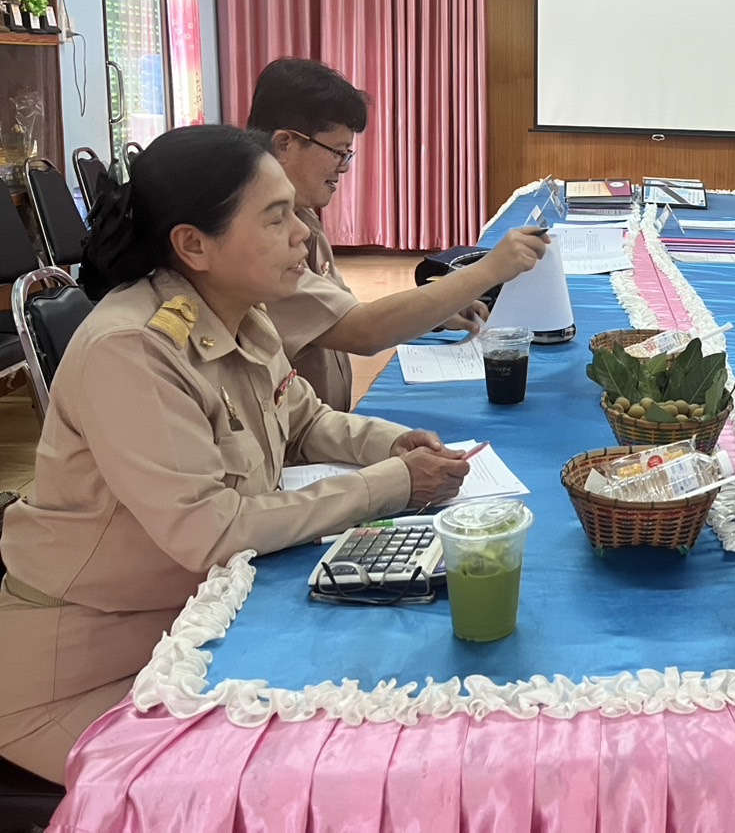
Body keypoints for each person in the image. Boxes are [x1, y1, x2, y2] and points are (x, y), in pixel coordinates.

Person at [0, 126, 472, 783]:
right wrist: (390, 484)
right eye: (276, 218)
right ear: (193, 245)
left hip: (198, 622)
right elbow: (211, 529)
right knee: (288, 779)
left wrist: (388, 444)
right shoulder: (132, 350)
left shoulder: (238, 312)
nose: (303, 234)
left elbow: (301, 418)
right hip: (90, 670)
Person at [246, 58, 549, 411]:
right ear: (284, 144)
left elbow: (346, 310)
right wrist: (490, 269)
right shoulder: (256, 242)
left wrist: (436, 313)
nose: (344, 168)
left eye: (348, 154)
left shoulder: (302, 217)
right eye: (338, 153)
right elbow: (362, 329)